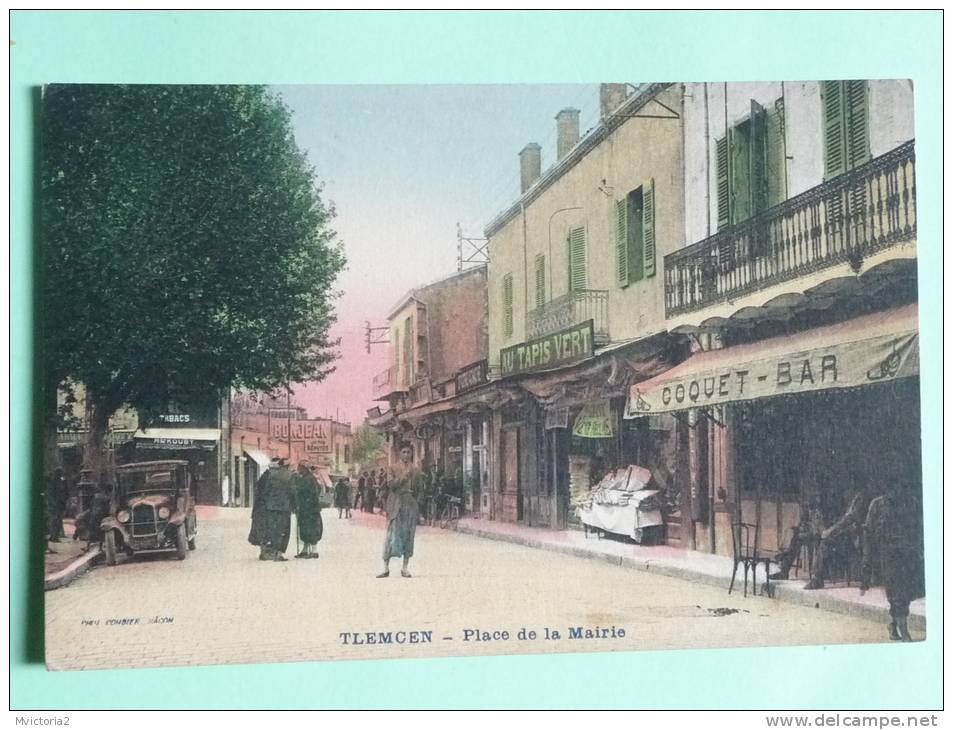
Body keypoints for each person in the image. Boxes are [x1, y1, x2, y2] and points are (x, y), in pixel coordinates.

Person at [861, 478, 924, 642]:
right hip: (887, 555)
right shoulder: (876, 505)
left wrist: (918, 549)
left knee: (906, 593)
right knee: (896, 592)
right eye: (891, 488)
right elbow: (868, 532)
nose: (894, 491)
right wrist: (867, 564)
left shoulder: (909, 502)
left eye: (898, 487)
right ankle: (904, 629)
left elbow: (917, 527)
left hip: (907, 553)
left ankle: (893, 624)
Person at [377, 443, 425, 578]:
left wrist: (417, 505)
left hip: (410, 504)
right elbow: (391, 485)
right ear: (399, 454)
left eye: (408, 452)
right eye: (404, 452)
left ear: (412, 453)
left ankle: (405, 567)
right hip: (396, 504)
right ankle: (385, 567)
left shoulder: (416, 470)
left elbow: (420, 489)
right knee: (391, 535)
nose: (406, 455)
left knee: (409, 535)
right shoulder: (392, 468)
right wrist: (404, 477)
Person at [261, 458, 294, 561]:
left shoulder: (272, 475)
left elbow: (266, 491)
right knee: (284, 530)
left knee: (273, 530)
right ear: (287, 466)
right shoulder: (290, 476)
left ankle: (272, 550)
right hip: (284, 508)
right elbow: (293, 492)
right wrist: (294, 506)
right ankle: (279, 553)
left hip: (271, 507)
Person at [248, 457, 278, 558]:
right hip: (263, 509)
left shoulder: (266, 476)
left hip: (261, 508)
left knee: (264, 530)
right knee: (264, 531)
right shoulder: (267, 478)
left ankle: (265, 552)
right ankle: (264, 552)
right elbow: (265, 494)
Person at [294, 463, 323, 559]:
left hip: (308, 508)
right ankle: (305, 550)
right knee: (306, 529)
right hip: (310, 508)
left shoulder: (306, 479)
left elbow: (301, 491)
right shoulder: (311, 478)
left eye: (300, 469)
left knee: (309, 528)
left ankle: (314, 551)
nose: (298, 470)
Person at [47, 467, 68, 542]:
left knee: (58, 521)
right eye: (60, 473)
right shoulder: (53, 482)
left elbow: (66, 492)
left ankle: (55, 536)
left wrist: (64, 500)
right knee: (54, 521)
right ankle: (53, 536)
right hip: (54, 505)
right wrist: (53, 503)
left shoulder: (62, 482)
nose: (61, 474)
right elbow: (50, 494)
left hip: (60, 504)